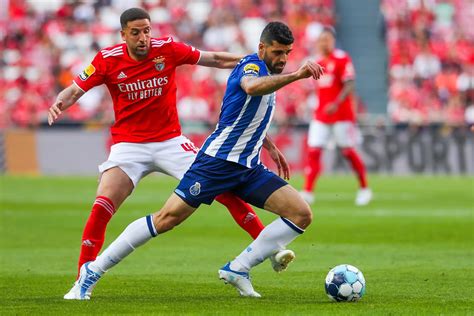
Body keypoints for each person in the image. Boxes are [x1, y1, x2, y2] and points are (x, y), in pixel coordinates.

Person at [64, 21, 324, 300]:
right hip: (216, 163)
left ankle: (239, 268)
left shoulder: (269, 71)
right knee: (166, 219)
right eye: (277, 52)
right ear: (261, 48)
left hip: (248, 167)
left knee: (301, 213)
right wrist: (297, 75)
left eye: (287, 52)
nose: (283, 59)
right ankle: (92, 271)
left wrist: (269, 146)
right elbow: (251, 87)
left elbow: (243, 116)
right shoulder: (251, 67)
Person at [300, 26, 372, 206]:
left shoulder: (341, 58)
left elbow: (350, 84)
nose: (324, 42)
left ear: (333, 40)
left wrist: (336, 103)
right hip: (321, 115)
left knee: (348, 152)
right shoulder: (315, 62)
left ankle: (364, 188)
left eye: (327, 39)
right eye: (322, 39)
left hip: (341, 115)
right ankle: (308, 191)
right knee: (314, 151)